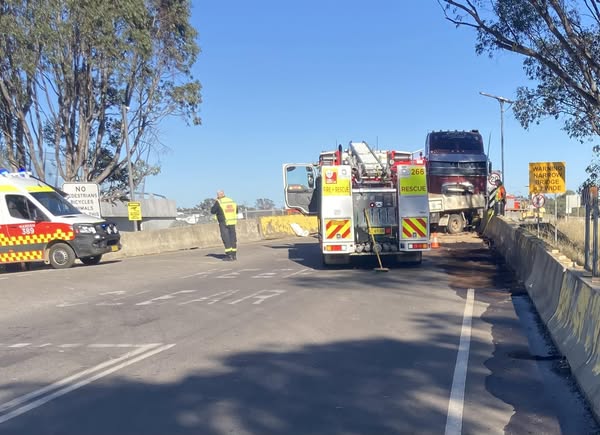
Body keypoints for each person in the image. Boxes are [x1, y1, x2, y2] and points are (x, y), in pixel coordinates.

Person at [211, 190, 238, 261]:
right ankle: (234, 255)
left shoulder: (219, 202)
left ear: (219, 195)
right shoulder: (232, 201)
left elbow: (213, 211)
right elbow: (236, 211)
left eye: (217, 195)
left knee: (226, 239)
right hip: (232, 222)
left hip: (224, 222)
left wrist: (216, 202)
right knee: (233, 239)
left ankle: (229, 256)